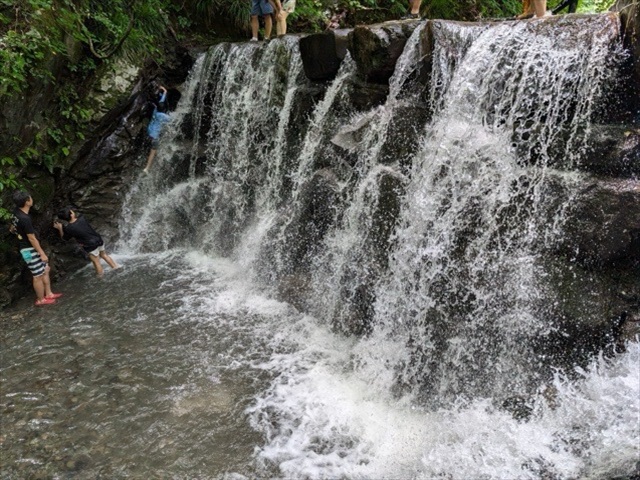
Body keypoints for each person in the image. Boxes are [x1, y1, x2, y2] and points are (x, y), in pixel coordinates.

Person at [10, 190, 62, 306]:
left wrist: (15, 231)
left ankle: (48, 294)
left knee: (45, 269)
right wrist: (42, 253)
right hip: (28, 249)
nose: (32, 199)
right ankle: (40, 300)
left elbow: (12, 226)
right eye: (30, 198)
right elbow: (32, 238)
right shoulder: (25, 219)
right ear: (27, 202)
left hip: (28, 247)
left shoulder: (16, 212)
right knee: (37, 275)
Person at [53, 207, 119, 276]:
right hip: (98, 240)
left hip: (90, 245)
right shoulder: (82, 219)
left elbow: (64, 238)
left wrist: (60, 228)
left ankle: (100, 277)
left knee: (96, 262)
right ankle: (115, 267)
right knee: (104, 255)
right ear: (71, 215)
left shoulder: (69, 228)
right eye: (72, 211)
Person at [143, 85, 171, 173]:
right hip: (154, 136)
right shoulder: (162, 116)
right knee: (153, 151)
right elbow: (174, 119)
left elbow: (162, 98)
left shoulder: (155, 110)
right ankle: (147, 168)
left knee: (152, 146)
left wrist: (162, 89)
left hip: (148, 132)